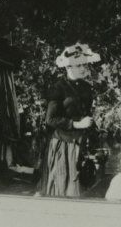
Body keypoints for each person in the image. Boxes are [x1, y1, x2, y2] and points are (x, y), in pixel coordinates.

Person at [36, 42, 100, 197]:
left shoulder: (86, 87)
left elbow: (85, 113)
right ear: (68, 67)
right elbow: (50, 119)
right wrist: (76, 124)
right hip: (63, 144)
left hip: (80, 143)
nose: (83, 68)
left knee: (82, 183)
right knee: (63, 185)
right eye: (79, 65)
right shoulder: (58, 88)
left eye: (85, 65)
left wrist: (93, 129)